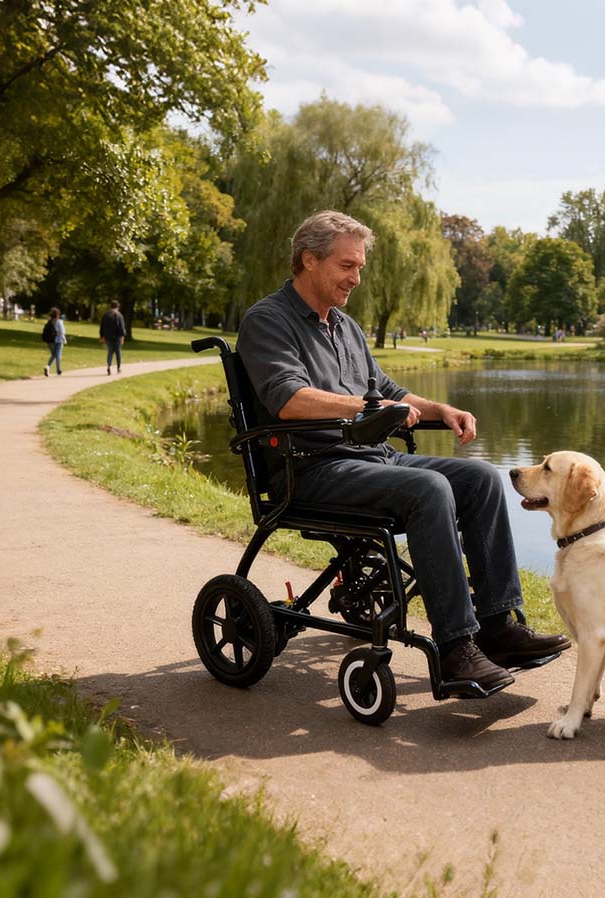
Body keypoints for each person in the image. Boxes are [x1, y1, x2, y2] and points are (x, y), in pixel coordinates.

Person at [238, 210, 570, 689]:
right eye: (346, 266)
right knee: (428, 488)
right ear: (309, 260)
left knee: (479, 478)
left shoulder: (344, 326)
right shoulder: (268, 319)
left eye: (359, 267)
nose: (356, 278)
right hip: (310, 468)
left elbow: (389, 391)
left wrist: (440, 409)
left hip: (371, 459)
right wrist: (371, 407)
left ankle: (498, 627)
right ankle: (455, 650)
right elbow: (289, 399)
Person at [99, 301, 126, 374]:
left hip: (108, 336)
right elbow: (121, 327)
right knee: (118, 352)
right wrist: (122, 336)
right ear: (117, 307)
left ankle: (109, 366)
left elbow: (102, 326)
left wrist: (101, 336)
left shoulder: (105, 315)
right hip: (117, 336)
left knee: (110, 351)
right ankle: (119, 367)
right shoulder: (119, 315)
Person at [42, 308, 66, 376]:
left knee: (54, 355)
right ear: (58, 314)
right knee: (57, 355)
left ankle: (48, 367)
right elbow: (61, 332)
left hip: (51, 340)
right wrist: (64, 339)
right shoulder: (59, 322)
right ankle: (58, 370)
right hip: (59, 340)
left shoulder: (50, 321)